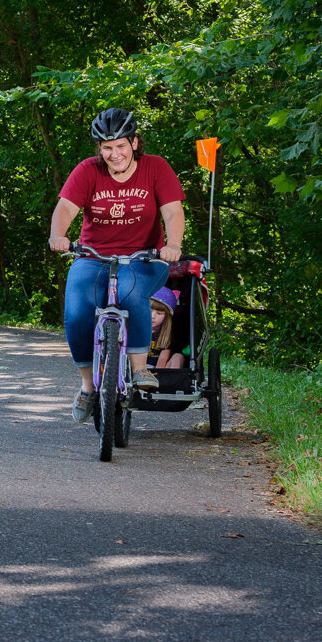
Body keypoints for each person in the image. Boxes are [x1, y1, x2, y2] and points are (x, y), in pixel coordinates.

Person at [47, 107, 185, 424]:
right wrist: (59, 235)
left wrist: (172, 245)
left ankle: (139, 370)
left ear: (134, 142)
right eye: (107, 148)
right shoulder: (87, 171)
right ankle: (87, 387)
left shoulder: (155, 168)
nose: (114, 154)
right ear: (99, 148)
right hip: (93, 257)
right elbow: (65, 208)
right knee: (77, 311)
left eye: (121, 146)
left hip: (145, 258)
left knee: (129, 290)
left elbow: (174, 213)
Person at [148, 286, 186, 374]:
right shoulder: (136, 330)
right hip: (137, 367)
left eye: (159, 313)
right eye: (150, 311)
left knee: (178, 356)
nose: (153, 316)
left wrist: (156, 375)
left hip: (157, 370)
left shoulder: (165, 334)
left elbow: (163, 359)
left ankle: (170, 382)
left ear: (165, 317)